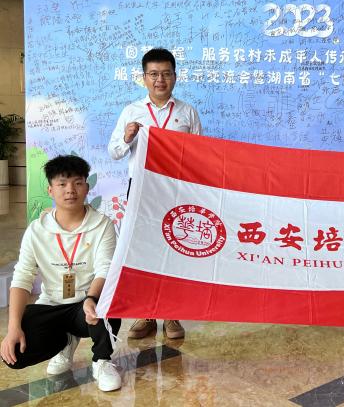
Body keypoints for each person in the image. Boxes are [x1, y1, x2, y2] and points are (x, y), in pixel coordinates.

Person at [0, 155, 122, 392]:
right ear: (50, 190)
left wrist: (91, 298)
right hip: (51, 304)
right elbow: (22, 277)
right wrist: (13, 327)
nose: (70, 190)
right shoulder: (36, 230)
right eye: (62, 184)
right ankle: (64, 342)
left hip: (85, 306)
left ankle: (102, 361)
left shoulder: (102, 225)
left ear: (87, 187)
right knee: (14, 353)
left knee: (108, 304)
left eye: (77, 183)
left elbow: (105, 268)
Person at [108, 47, 201, 340]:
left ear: (175, 76)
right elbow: (114, 152)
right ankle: (146, 314)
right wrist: (127, 138)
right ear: (144, 77)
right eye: (154, 74)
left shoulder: (187, 112)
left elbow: (200, 155)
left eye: (166, 74)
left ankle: (171, 314)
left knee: (174, 249)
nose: (160, 80)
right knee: (143, 250)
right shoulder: (131, 112)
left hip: (176, 191)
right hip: (141, 191)